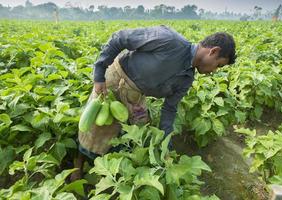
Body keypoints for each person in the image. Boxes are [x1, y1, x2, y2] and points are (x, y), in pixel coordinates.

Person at [71, 25, 236, 181]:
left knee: (137, 134)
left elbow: (169, 109)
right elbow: (120, 38)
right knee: (95, 127)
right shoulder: (170, 40)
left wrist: (167, 146)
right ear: (213, 51)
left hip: (136, 95)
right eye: (218, 65)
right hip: (115, 80)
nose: (214, 71)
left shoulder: (187, 79)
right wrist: (99, 75)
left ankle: (110, 169)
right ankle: (78, 161)